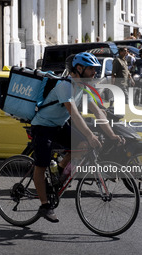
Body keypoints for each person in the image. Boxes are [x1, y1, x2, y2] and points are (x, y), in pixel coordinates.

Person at [30, 52, 124, 222]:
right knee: (41, 165)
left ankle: (59, 170)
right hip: (42, 126)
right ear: (78, 69)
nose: (94, 73)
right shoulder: (64, 86)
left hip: (59, 125)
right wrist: (89, 135)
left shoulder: (82, 87)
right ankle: (44, 205)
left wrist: (112, 135)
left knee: (82, 145)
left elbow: (98, 113)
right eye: (91, 70)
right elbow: (73, 113)